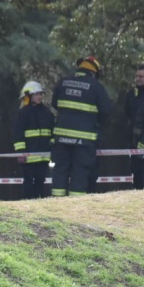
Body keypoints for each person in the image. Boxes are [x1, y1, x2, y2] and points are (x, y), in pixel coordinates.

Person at [49, 56, 112, 197]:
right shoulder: (96, 87)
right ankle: (76, 203)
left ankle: (57, 202)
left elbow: (54, 104)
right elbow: (106, 110)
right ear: (94, 73)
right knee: (80, 171)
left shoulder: (63, 82)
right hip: (84, 140)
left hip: (62, 138)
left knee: (60, 169)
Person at [13, 81, 54, 199]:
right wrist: (21, 152)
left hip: (43, 156)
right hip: (28, 156)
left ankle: (39, 202)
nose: (39, 96)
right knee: (28, 182)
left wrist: (52, 148)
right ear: (29, 96)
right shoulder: (23, 113)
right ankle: (28, 202)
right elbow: (18, 133)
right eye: (36, 94)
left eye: (41, 94)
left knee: (40, 182)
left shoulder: (46, 112)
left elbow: (52, 132)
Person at [123, 64, 144, 189]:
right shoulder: (132, 94)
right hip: (135, 140)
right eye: (136, 76)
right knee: (136, 171)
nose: (138, 79)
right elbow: (127, 113)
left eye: (141, 76)